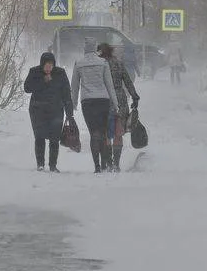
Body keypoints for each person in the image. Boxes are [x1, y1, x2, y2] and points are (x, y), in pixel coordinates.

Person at [72, 37, 119, 174]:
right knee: (103, 133)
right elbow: (109, 85)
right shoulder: (103, 62)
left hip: (87, 102)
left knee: (94, 133)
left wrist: (73, 103)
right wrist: (115, 103)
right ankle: (104, 164)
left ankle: (97, 166)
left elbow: (74, 86)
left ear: (85, 48)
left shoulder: (78, 63)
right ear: (94, 48)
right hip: (103, 100)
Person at [24, 52, 74, 173]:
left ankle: (53, 165)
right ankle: (40, 164)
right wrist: (43, 81)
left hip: (56, 110)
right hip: (38, 111)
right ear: (42, 64)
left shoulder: (60, 73)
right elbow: (27, 88)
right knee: (39, 137)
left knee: (54, 138)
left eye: (51, 65)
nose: (48, 68)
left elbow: (66, 92)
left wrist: (69, 112)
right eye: (46, 65)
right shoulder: (34, 72)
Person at [98, 43, 140, 172]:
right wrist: (134, 96)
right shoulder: (118, 63)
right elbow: (127, 81)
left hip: (104, 99)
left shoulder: (99, 65)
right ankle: (116, 164)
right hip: (120, 100)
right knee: (118, 132)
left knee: (105, 133)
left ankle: (108, 163)